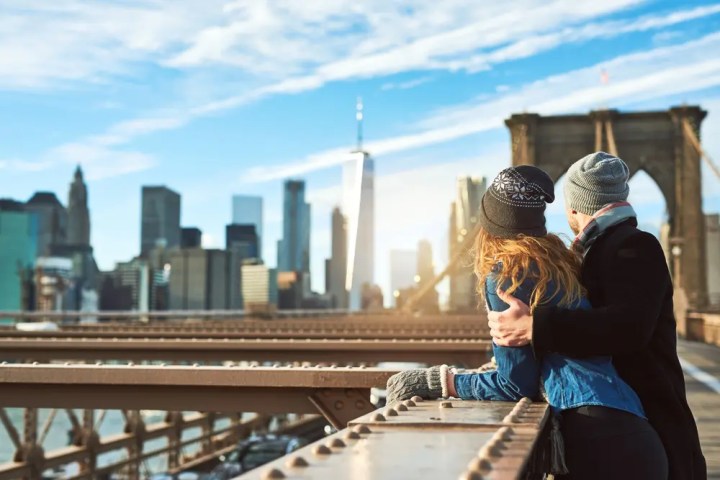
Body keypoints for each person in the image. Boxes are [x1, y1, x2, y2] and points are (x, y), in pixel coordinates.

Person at [386, 165, 668, 479]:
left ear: (489, 224)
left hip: (595, 443)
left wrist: (441, 382)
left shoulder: (505, 275)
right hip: (633, 431)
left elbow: (513, 384)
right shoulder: (564, 262)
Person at [489, 152, 706, 480]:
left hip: (643, 424)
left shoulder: (634, 246)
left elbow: (629, 329)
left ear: (574, 206)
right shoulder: (595, 251)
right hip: (618, 423)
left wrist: (537, 326)